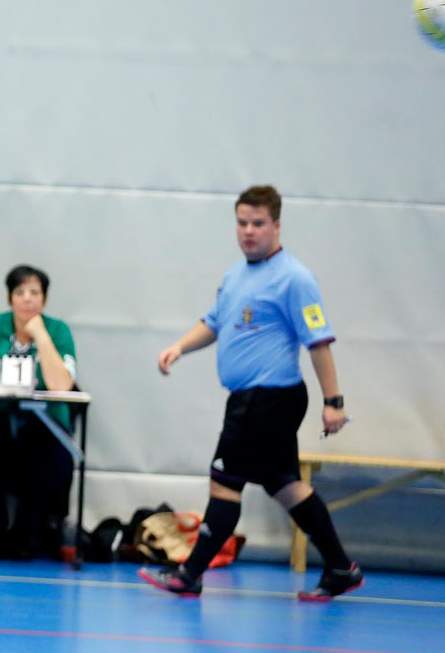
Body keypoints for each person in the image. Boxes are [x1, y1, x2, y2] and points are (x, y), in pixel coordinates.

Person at [140, 185, 362, 601]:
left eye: (258, 224)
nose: (248, 231)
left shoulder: (295, 279)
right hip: (248, 399)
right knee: (286, 486)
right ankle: (340, 567)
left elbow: (318, 342)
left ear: (276, 225)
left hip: (269, 399)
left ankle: (189, 575)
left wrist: (334, 403)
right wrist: (179, 347)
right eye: (242, 223)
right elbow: (214, 322)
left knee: (224, 480)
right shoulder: (235, 274)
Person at [0, 265, 78, 559]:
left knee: (56, 457)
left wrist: (40, 335)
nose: (27, 299)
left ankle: (25, 534)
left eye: (34, 292)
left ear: (45, 299)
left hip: (43, 422)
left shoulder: (58, 331)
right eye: (20, 292)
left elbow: (62, 385)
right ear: (9, 297)